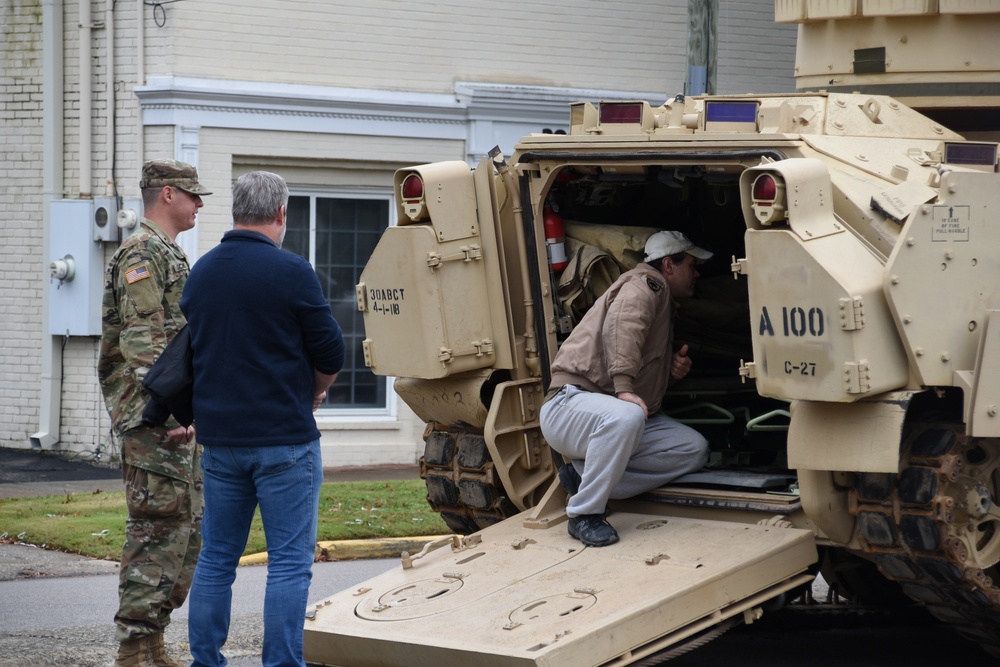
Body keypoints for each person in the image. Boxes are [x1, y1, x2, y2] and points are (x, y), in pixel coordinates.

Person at [181, 171, 346, 667]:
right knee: (290, 563)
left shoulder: (202, 272)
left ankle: (205, 661)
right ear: (281, 214)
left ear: (235, 210)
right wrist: (316, 390)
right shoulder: (292, 272)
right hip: (285, 442)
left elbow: (195, 354)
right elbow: (331, 349)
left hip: (221, 444)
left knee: (216, 558)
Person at [98, 159, 212, 667]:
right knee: (156, 529)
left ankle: (151, 645)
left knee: (183, 532)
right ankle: (135, 651)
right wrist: (175, 416)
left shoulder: (167, 253)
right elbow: (146, 348)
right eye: (192, 195)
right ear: (167, 194)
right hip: (155, 420)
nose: (199, 204)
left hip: (171, 418)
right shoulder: (142, 253)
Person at [539, 230, 712, 547]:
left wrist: (669, 373)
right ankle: (584, 514)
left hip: (608, 416)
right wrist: (624, 388)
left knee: (693, 448)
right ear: (668, 266)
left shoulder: (661, 301)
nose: (696, 273)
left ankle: (583, 477)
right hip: (570, 406)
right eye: (691, 264)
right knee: (628, 415)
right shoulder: (646, 285)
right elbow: (621, 326)